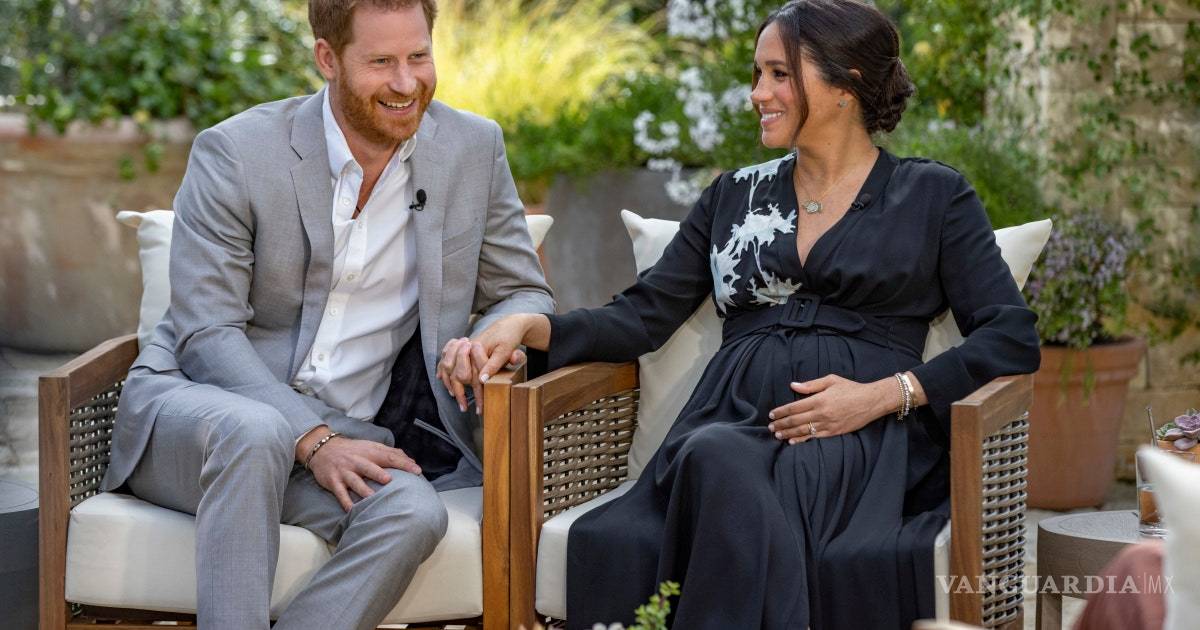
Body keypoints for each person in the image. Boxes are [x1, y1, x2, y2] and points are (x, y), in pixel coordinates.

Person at [454, 0, 1040, 627]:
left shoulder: (932, 196)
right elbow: (641, 317)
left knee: (718, 462)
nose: (758, 93)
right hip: (728, 420)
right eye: (758, 75)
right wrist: (530, 325)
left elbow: (1011, 335)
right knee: (711, 456)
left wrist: (884, 396)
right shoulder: (734, 196)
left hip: (854, 436)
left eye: (779, 74)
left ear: (846, 85)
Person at [100, 0, 553, 628]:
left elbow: (523, 291)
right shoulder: (236, 152)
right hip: (199, 419)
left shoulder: (473, 148)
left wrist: (496, 328)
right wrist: (315, 441)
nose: (406, 82)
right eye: (381, 62)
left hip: (346, 432)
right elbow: (205, 335)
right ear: (327, 58)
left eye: (419, 56)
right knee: (257, 431)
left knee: (411, 512)